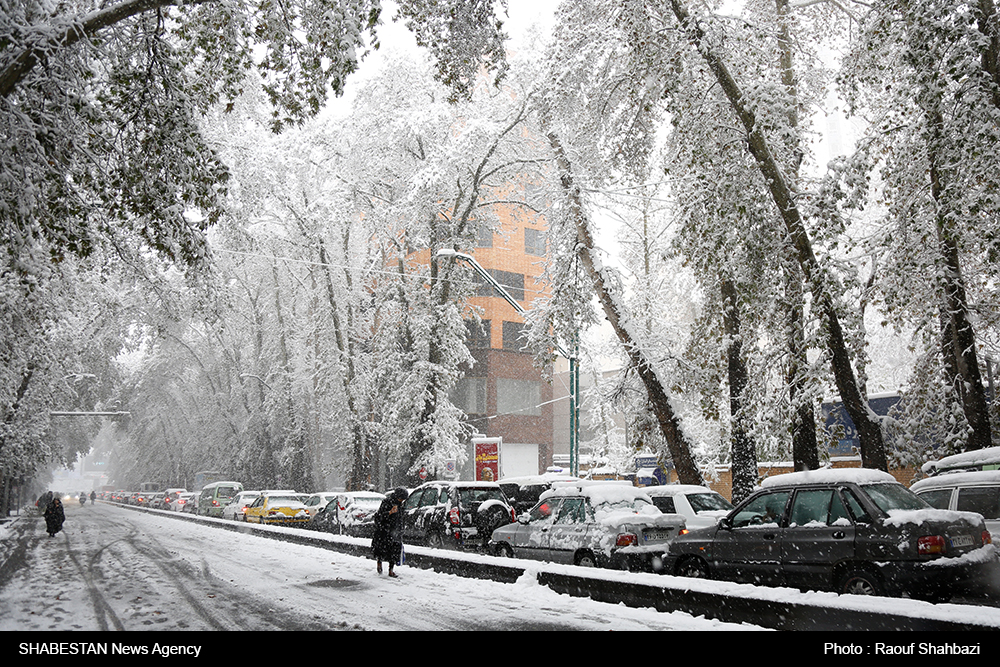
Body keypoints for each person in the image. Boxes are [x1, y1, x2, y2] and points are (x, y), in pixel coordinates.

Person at [371, 488, 408, 578]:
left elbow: (400, 518)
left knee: (394, 550)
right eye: (401, 499)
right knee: (382, 549)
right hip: (385, 530)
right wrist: (389, 513)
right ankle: (379, 562)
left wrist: (401, 528)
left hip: (396, 531)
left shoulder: (400, 505)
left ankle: (391, 569)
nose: (402, 501)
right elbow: (379, 516)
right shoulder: (387, 502)